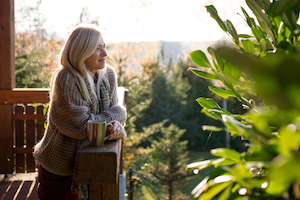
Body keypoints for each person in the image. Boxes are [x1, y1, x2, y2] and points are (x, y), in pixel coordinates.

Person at [33, 24, 127, 200]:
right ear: (81, 51)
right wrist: (113, 118)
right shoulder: (66, 78)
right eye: (97, 49)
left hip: (91, 161)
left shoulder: (108, 75)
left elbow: (116, 116)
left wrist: (114, 124)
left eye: (104, 47)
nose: (105, 53)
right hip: (60, 168)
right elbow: (81, 127)